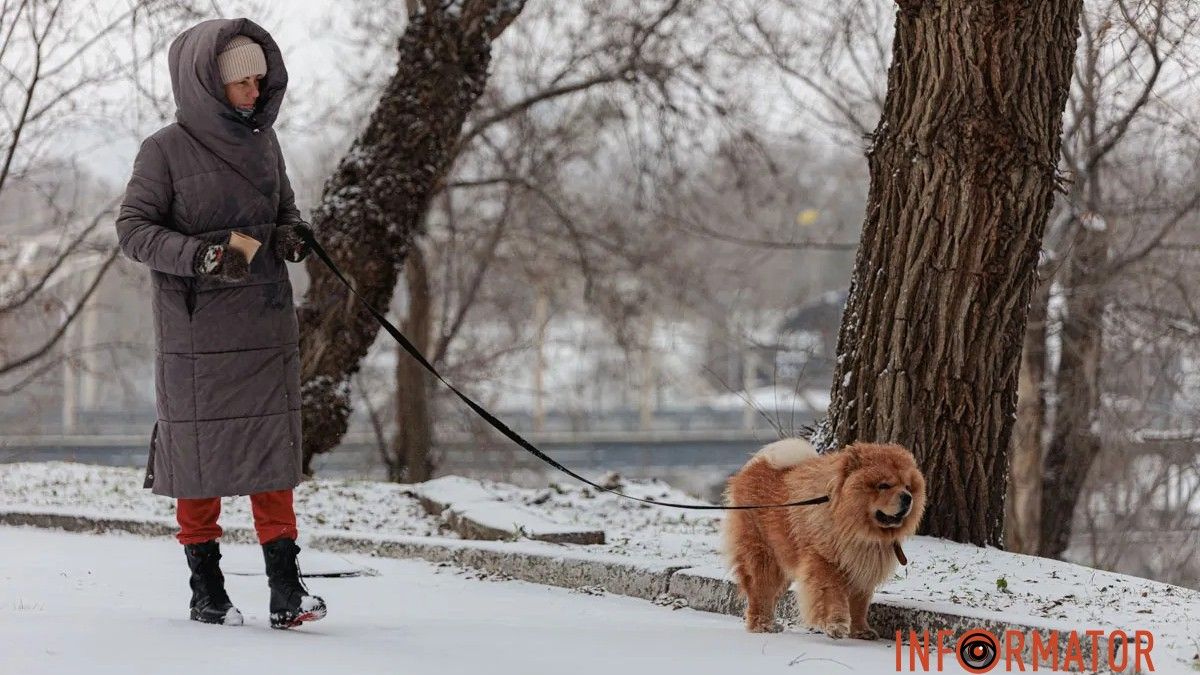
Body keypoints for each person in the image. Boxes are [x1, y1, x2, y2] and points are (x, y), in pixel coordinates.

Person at [114, 18, 325, 630]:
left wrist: (292, 237)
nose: (255, 91)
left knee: (272, 454)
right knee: (198, 457)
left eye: (260, 79)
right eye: (243, 82)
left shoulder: (266, 143)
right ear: (208, 83)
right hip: (196, 330)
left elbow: (283, 211)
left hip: (263, 323)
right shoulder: (164, 150)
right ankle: (207, 589)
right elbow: (133, 231)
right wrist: (203, 257)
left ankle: (286, 589)